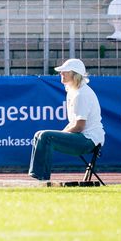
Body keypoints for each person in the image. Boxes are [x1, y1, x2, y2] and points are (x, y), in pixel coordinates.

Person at [27, 57, 104, 185]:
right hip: (83, 137)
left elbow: (79, 126)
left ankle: (42, 179)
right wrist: (61, 134)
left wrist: (61, 134)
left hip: (88, 141)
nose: (61, 73)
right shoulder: (73, 91)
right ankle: (38, 177)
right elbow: (75, 124)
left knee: (45, 136)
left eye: (65, 71)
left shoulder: (81, 94)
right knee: (39, 135)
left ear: (74, 74)